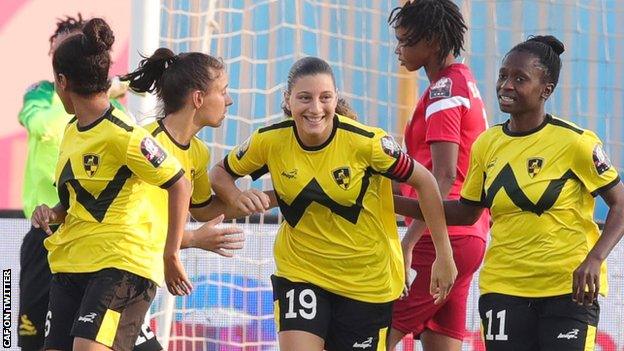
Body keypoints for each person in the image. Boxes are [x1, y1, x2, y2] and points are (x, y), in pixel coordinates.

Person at [209, 56, 457, 351]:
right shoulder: (270, 141)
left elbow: (426, 182)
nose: (315, 108)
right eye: (304, 98)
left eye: (325, 98)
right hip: (301, 273)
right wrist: (236, 196)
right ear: (288, 101)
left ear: (335, 98)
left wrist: (444, 253)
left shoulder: (368, 143)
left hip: (367, 282)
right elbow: (219, 172)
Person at [394, 35, 624, 351]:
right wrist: (391, 202)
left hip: (567, 291)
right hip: (503, 289)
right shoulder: (487, 145)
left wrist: (595, 258)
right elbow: (465, 211)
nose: (506, 85)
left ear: (547, 90)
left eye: (520, 79)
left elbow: (620, 204)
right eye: (503, 76)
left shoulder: (576, 143)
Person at [30, 18, 192, 351]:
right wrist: (53, 212)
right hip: (73, 264)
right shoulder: (72, 131)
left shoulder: (124, 134)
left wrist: (171, 254)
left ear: (62, 81)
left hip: (119, 267)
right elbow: (81, 201)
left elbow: (178, 182)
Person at [16, 14, 131, 351]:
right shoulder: (40, 93)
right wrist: (87, 98)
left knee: (94, 335)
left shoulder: (116, 116)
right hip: (46, 230)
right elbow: (40, 125)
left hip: (96, 239)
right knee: (30, 332)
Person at [386, 1, 490, 350]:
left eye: (404, 41)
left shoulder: (444, 92)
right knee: (442, 342)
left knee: (374, 334)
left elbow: (443, 177)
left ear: (431, 41)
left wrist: (409, 241)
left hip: (442, 236)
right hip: (469, 236)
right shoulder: (464, 79)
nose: (398, 50)